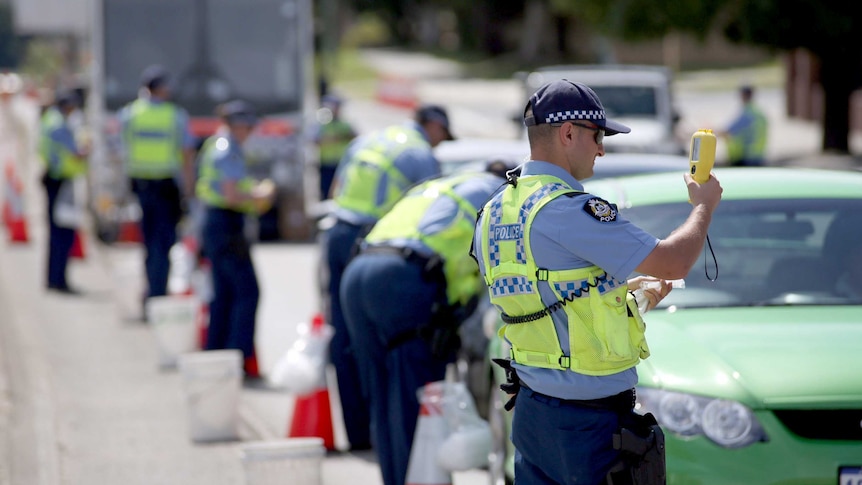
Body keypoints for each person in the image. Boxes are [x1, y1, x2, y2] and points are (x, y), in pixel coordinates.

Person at [471, 79, 723, 485]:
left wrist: (629, 295)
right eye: (597, 135)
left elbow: (550, 297)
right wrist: (703, 207)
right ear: (568, 133)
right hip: (588, 423)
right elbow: (674, 262)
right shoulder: (569, 210)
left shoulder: (496, 208)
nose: (602, 149)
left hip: (535, 413)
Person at [340, 166, 505, 485]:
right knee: (413, 400)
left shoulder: (441, 188)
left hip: (358, 273)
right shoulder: (501, 198)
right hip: (401, 281)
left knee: (384, 393)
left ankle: (395, 478)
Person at [323, 104, 451, 451]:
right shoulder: (419, 154)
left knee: (346, 331)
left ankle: (359, 433)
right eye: (443, 136)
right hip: (374, 243)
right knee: (384, 340)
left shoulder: (368, 140)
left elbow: (336, 189)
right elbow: (433, 211)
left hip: (337, 234)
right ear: (434, 126)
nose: (440, 145)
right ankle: (389, 434)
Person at [195, 100, 275, 379]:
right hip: (226, 224)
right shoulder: (228, 149)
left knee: (224, 293)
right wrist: (260, 196)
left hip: (216, 223)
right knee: (247, 292)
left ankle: (217, 355)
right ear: (236, 125)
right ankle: (237, 358)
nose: (251, 131)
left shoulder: (216, 144)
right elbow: (231, 195)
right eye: (248, 126)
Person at [119, 64, 196, 319]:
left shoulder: (131, 114)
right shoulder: (175, 116)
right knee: (163, 244)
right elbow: (186, 155)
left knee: (150, 243)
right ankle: (156, 296)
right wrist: (189, 190)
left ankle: (151, 293)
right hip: (165, 187)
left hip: (140, 186)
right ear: (160, 88)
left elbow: (120, 150)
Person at [38, 90, 90, 294]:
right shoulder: (59, 124)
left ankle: (54, 279)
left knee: (56, 233)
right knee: (62, 233)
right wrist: (86, 148)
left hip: (54, 179)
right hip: (58, 181)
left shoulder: (51, 119)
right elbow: (76, 152)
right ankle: (58, 280)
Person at [313, 94, 356, 200]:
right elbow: (315, 140)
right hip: (326, 163)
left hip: (341, 162)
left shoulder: (345, 124)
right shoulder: (321, 124)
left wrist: (342, 137)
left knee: (343, 189)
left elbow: (355, 137)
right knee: (326, 190)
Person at [719, 84, 768, 166]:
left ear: (743, 95)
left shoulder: (746, 114)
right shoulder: (759, 113)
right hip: (759, 156)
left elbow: (727, 131)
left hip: (745, 158)